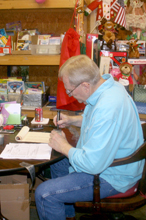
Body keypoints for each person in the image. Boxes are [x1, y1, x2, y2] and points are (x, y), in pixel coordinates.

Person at [35, 55, 144, 220]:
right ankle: (68, 215)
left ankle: (58, 204)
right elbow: (98, 122)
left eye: (69, 90)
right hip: (109, 162)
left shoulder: (108, 108)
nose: (68, 94)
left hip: (112, 175)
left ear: (85, 85)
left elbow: (93, 165)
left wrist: (64, 146)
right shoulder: (109, 86)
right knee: (57, 161)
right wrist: (74, 120)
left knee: (44, 194)